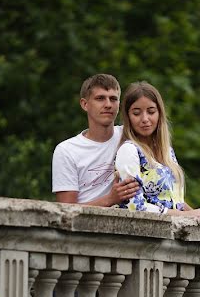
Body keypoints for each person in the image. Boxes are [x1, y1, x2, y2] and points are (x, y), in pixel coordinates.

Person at [115, 81, 200, 218]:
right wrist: (182, 215)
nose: (145, 119)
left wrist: (194, 213)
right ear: (128, 117)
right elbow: (134, 206)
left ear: (160, 114)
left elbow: (173, 200)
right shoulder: (129, 150)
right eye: (136, 113)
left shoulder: (167, 151)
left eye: (151, 111)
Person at [52, 73, 140, 205]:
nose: (108, 104)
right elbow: (66, 212)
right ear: (84, 104)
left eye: (113, 99)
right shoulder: (66, 151)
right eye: (100, 98)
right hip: (86, 224)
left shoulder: (130, 135)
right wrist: (110, 199)